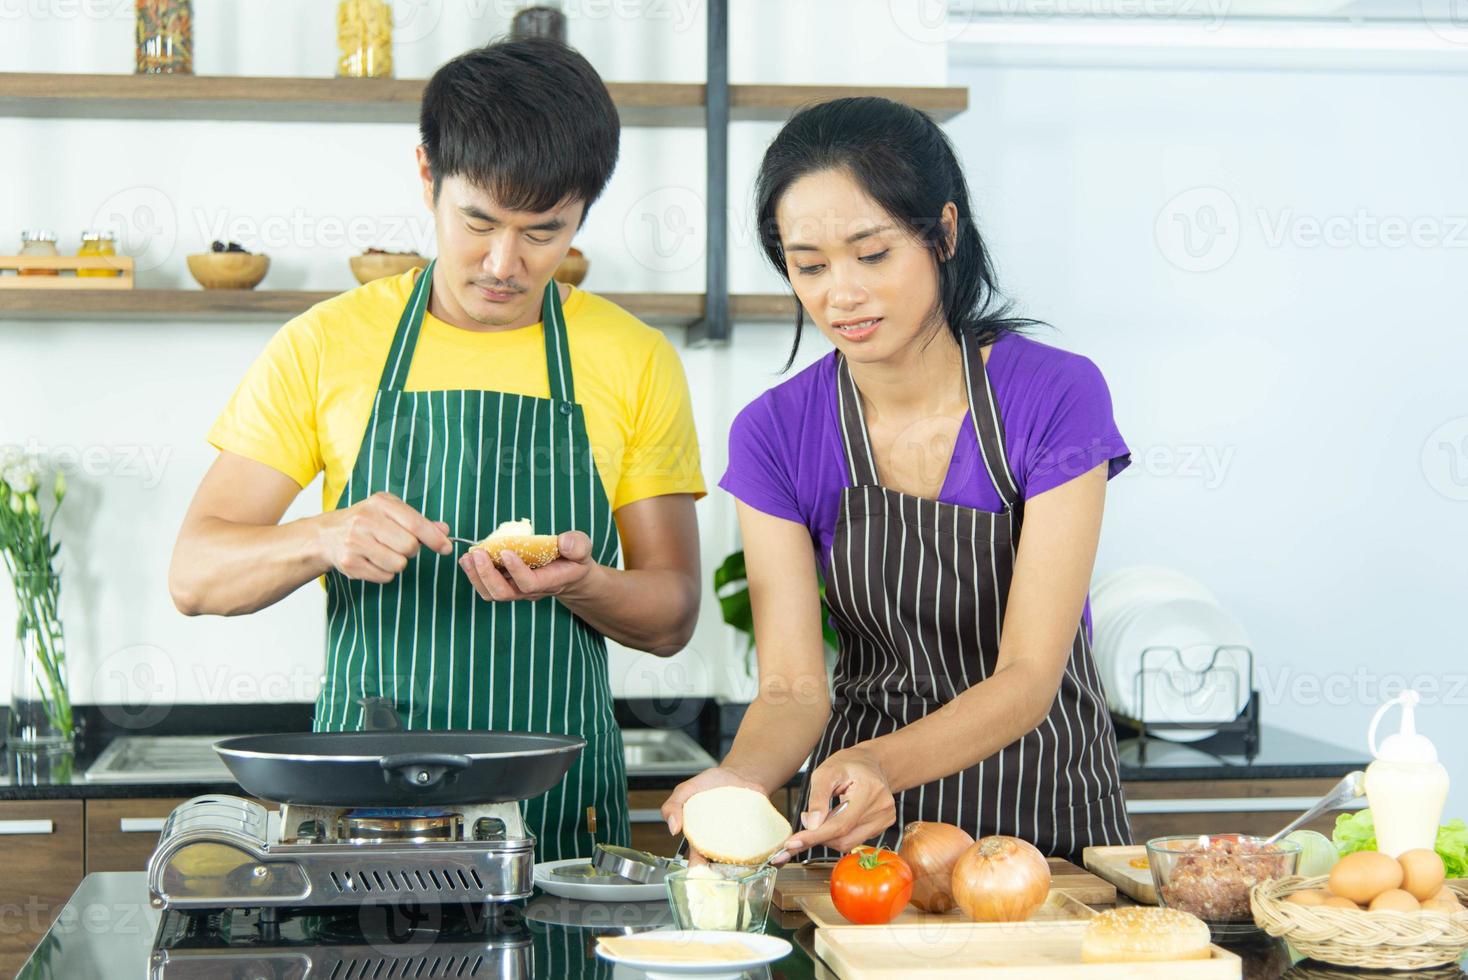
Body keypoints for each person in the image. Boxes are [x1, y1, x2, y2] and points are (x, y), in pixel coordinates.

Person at [169, 38, 706, 862]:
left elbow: (671, 616)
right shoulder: (326, 343)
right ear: (428, 175)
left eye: (544, 232)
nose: (503, 264)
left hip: (554, 823)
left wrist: (583, 583)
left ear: (585, 212)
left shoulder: (633, 358)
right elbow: (195, 575)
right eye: (479, 221)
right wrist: (322, 537)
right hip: (361, 815)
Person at [663, 97, 1131, 866]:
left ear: (944, 232)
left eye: (871, 255)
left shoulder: (1054, 395)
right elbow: (791, 687)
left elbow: (1027, 675)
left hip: (1046, 821)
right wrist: (742, 781)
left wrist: (884, 763)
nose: (839, 294)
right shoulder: (774, 432)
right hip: (862, 834)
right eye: (808, 265)